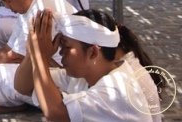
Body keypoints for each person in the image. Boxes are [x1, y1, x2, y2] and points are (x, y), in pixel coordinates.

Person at [14, 9, 160, 121]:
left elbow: (56, 113)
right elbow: (23, 86)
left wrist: (40, 55)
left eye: (66, 46)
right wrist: (32, 56)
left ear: (93, 52)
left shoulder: (117, 88)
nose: (60, 51)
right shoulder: (85, 74)